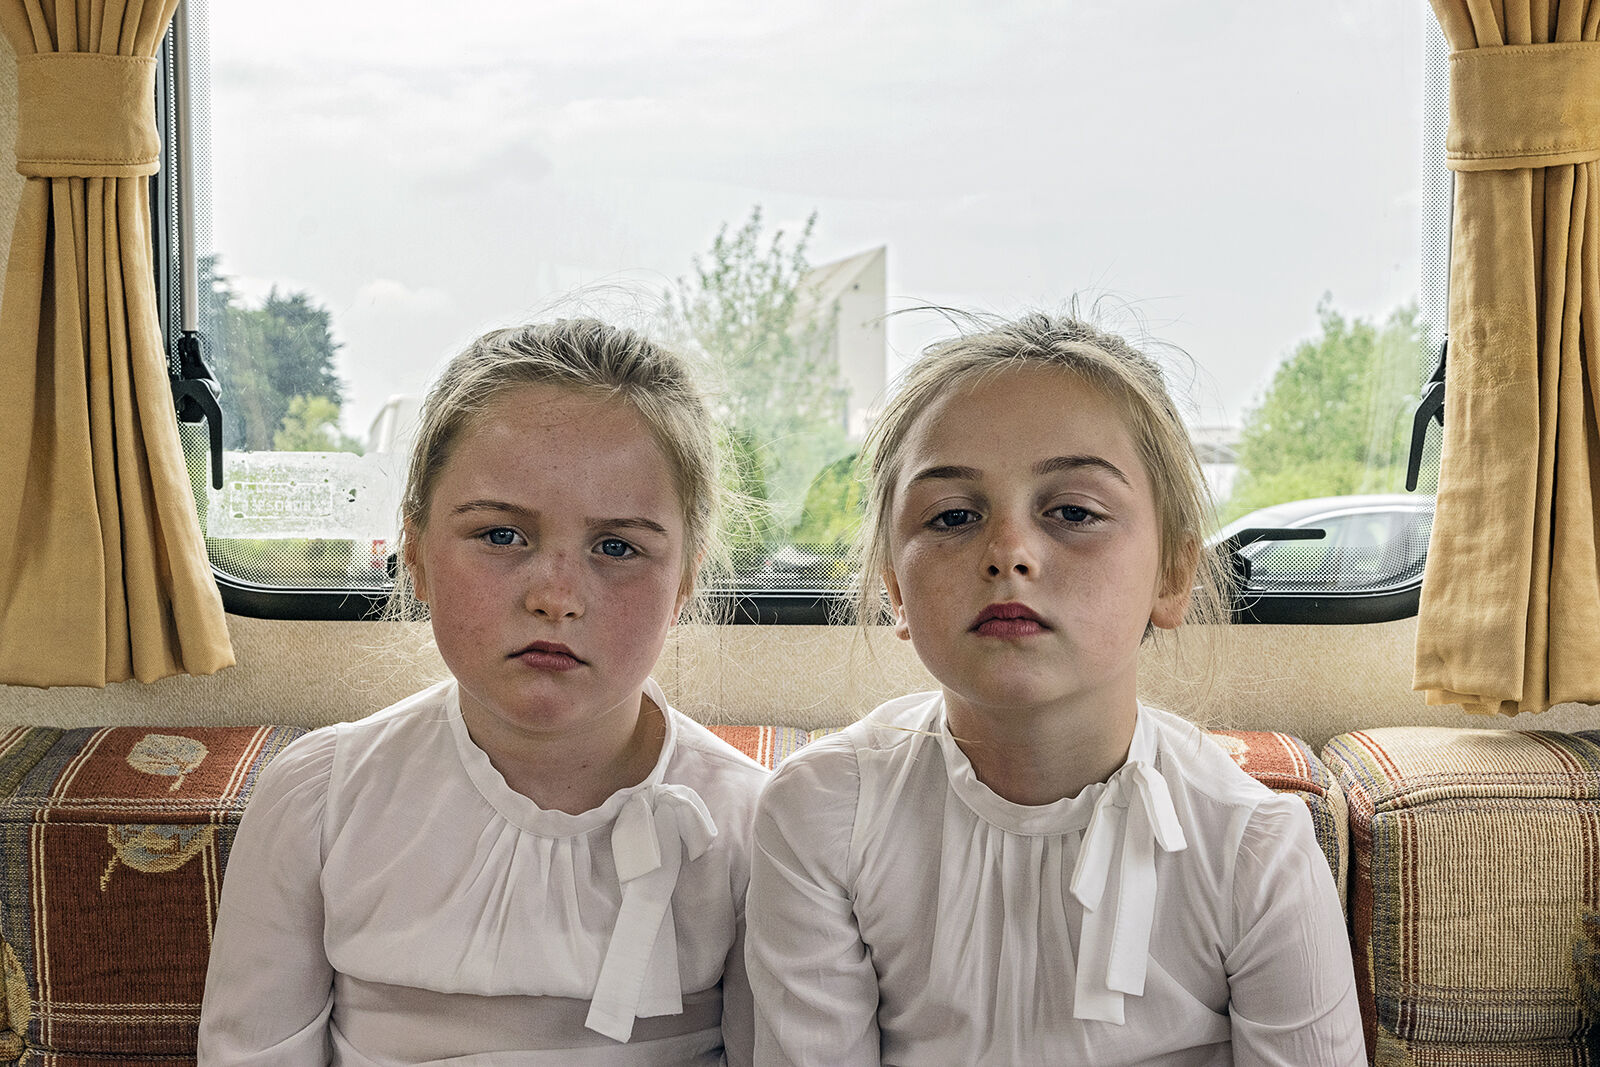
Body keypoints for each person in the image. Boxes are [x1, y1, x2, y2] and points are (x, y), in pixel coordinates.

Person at [745, 312, 1365, 1064]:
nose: (1008, 550)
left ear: (1172, 574)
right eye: (953, 516)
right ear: (893, 590)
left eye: (1073, 512)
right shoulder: (820, 818)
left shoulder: (1253, 850)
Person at [199, 319, 766, 1065]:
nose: (557, 596)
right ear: (417, 553)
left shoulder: (757, 828)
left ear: (684, 583)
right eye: (502, 536)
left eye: (618, 547)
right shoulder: (320, 801)